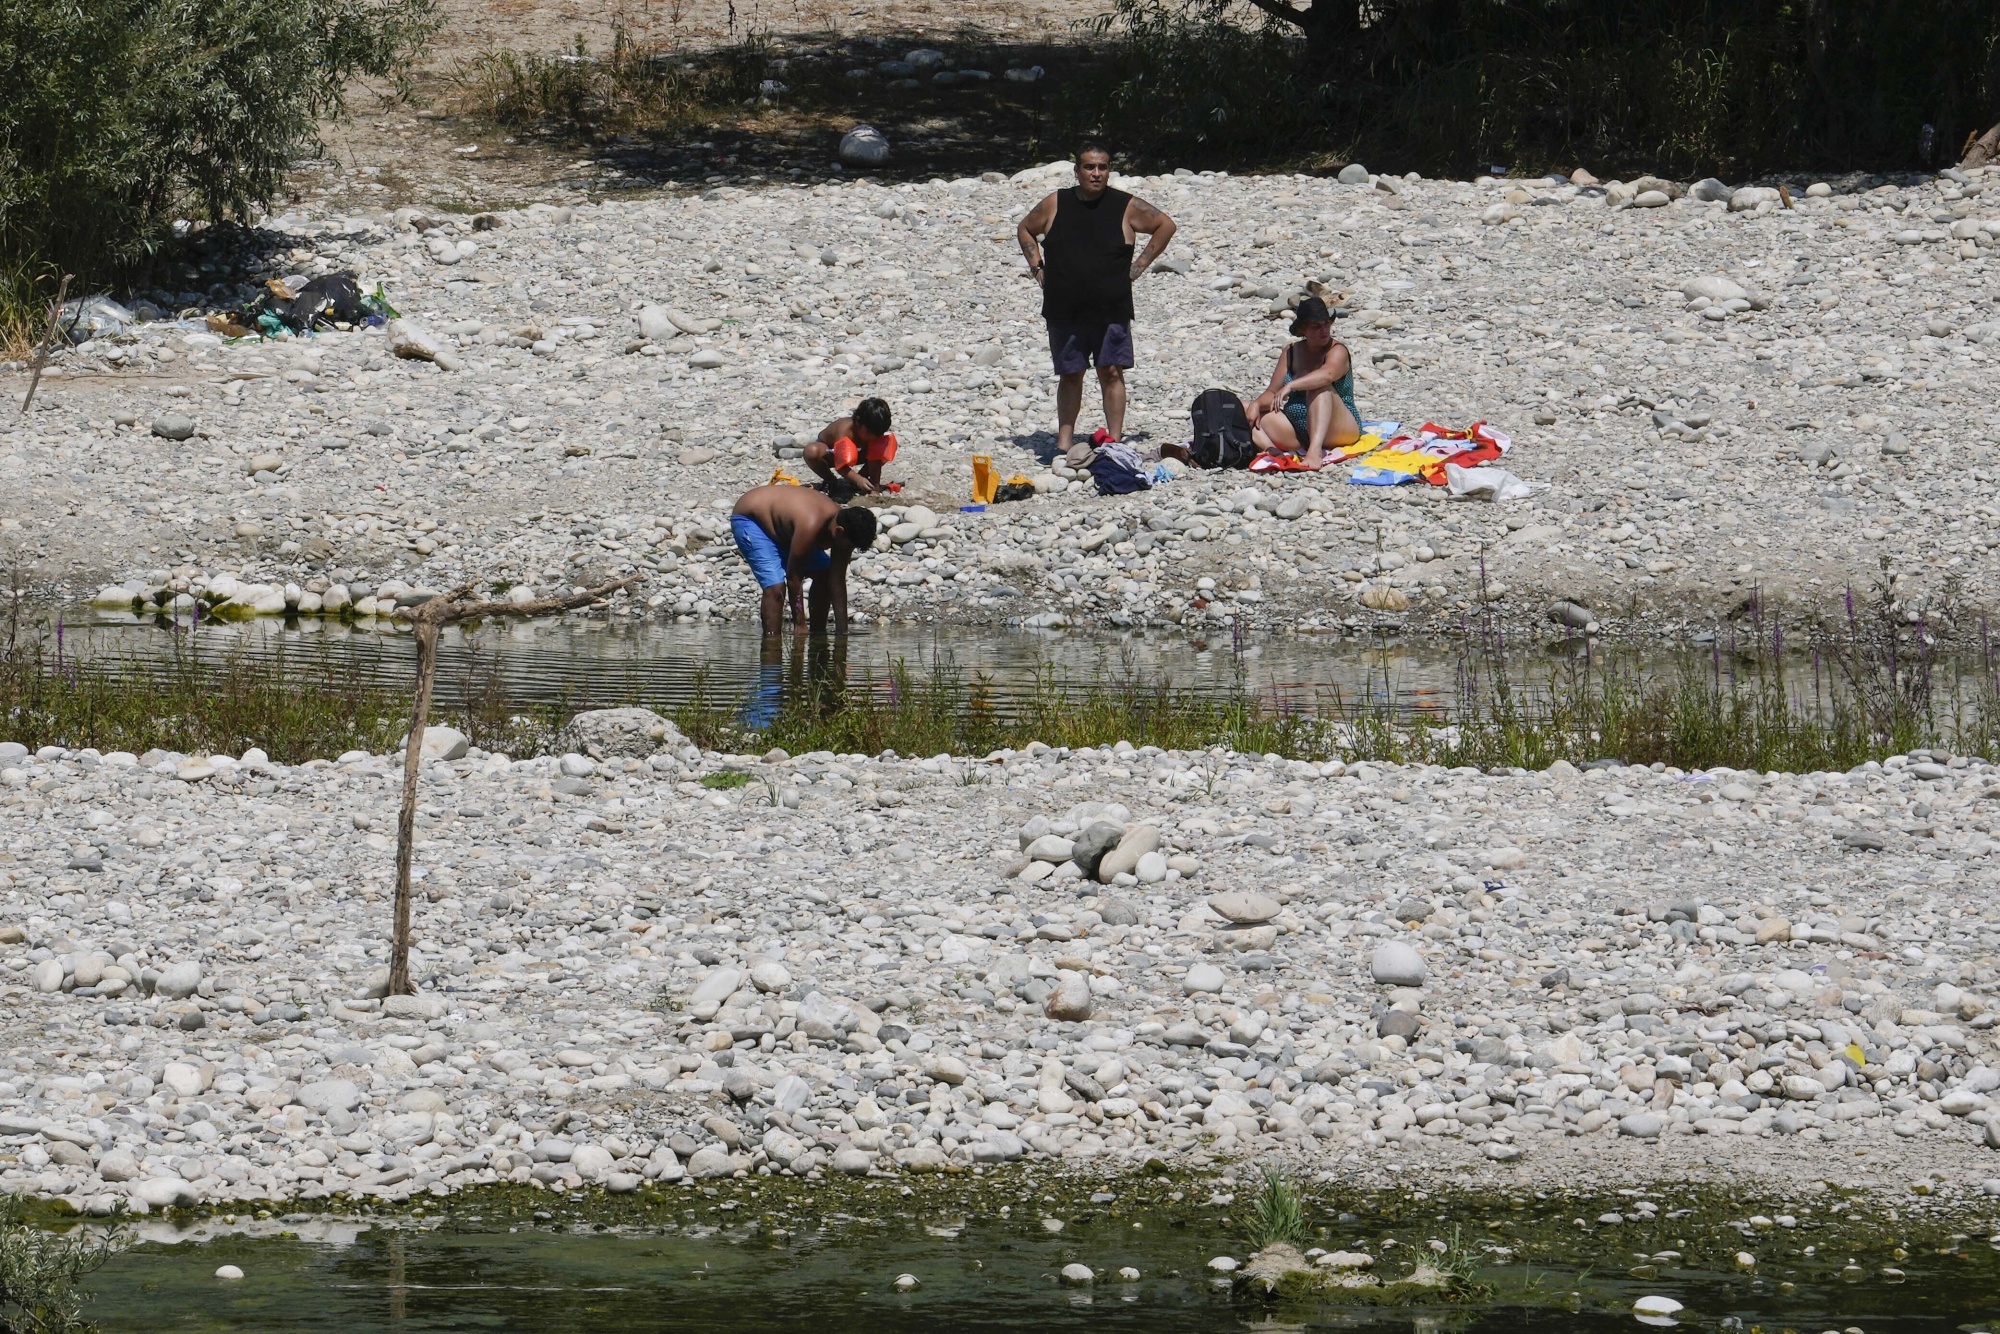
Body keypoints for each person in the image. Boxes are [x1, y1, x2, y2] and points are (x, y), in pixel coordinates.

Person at [1016, 142, 1177, 452]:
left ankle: (1114, 440)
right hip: (1064, 306)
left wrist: (1138, 267)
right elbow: (1025, 229)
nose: (1096, 173)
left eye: (1102, 167)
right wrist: (1037, 268)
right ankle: (1064, 443)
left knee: (1111, 371)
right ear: (1077, 171)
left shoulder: (1125, 205)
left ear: (1109, 171)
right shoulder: (1056, 203)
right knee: (1070, 373)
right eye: (1089, 167)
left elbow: (1165, 225)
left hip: (1111, 307)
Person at [729, 484, 878, 636]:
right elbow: (794, 577)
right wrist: (799, 624)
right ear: (838, 532)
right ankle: (771, 643)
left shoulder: (845, 530)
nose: (848, 550)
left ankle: (818, 634)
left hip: (786, 528)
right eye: (850, 546)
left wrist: (842, 631)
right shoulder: (811, 524)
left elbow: (837, 580)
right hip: (752, 519)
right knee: (776, 588)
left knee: (825, 574)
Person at [1245, 296, 1361, 469]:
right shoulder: (1292, 352)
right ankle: (1270, 449)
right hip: (1298, 430)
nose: (1324, 331)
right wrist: (1256, 404)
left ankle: (1314, 452)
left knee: (1319, 387)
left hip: (1339, 428)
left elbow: (1327, 375)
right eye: (1316, 326)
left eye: (1326, 324)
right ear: (1303, 329)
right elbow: (1273, 392)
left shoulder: (1337, 350)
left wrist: (1292, 385)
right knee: (1242, 407)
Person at [803, 397, 898, 498]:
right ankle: (830, 480)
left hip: (858, 453)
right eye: (870, 433)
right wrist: (858, 480)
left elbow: (875, 460)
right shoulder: (843, 432)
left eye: (879, 434)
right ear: (858, 422)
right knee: (811, 451)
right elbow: (840, 465)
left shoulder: (874, 433)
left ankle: (862, 478)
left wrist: (875, 489)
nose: (874, 437)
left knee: (885, 447)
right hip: (831, 454)